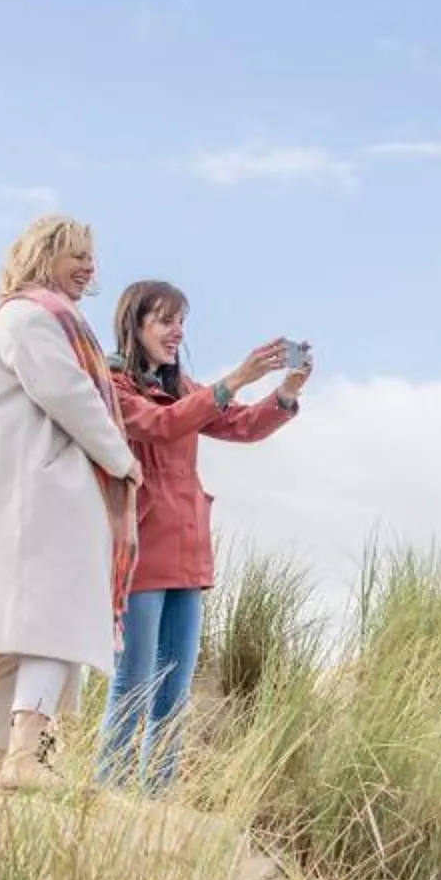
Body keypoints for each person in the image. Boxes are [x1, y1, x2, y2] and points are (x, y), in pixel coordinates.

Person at [0, 214, 140, 791]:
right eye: (76, 254)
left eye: (91, 256)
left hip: (23, 497)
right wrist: (121, 460)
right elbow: (68, 393)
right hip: (37, 496)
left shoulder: (35, 317)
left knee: (16, 635)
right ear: (42, 256)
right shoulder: (31, 317)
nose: (89, 266)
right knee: (55, 624)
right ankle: (26, 757)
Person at [95, 278, 311, 790]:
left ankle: (157, 801)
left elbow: (243, 425)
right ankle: (108, 797)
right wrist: (235, 378)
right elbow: (161, 424)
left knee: (174, 692)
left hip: (189, 554)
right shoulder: (113, 386)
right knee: (133, 683)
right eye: (165, 321)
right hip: (140, 550)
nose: (177, 332)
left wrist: (285, 392)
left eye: (182, 322)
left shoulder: (185, 388)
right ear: (135, 325)